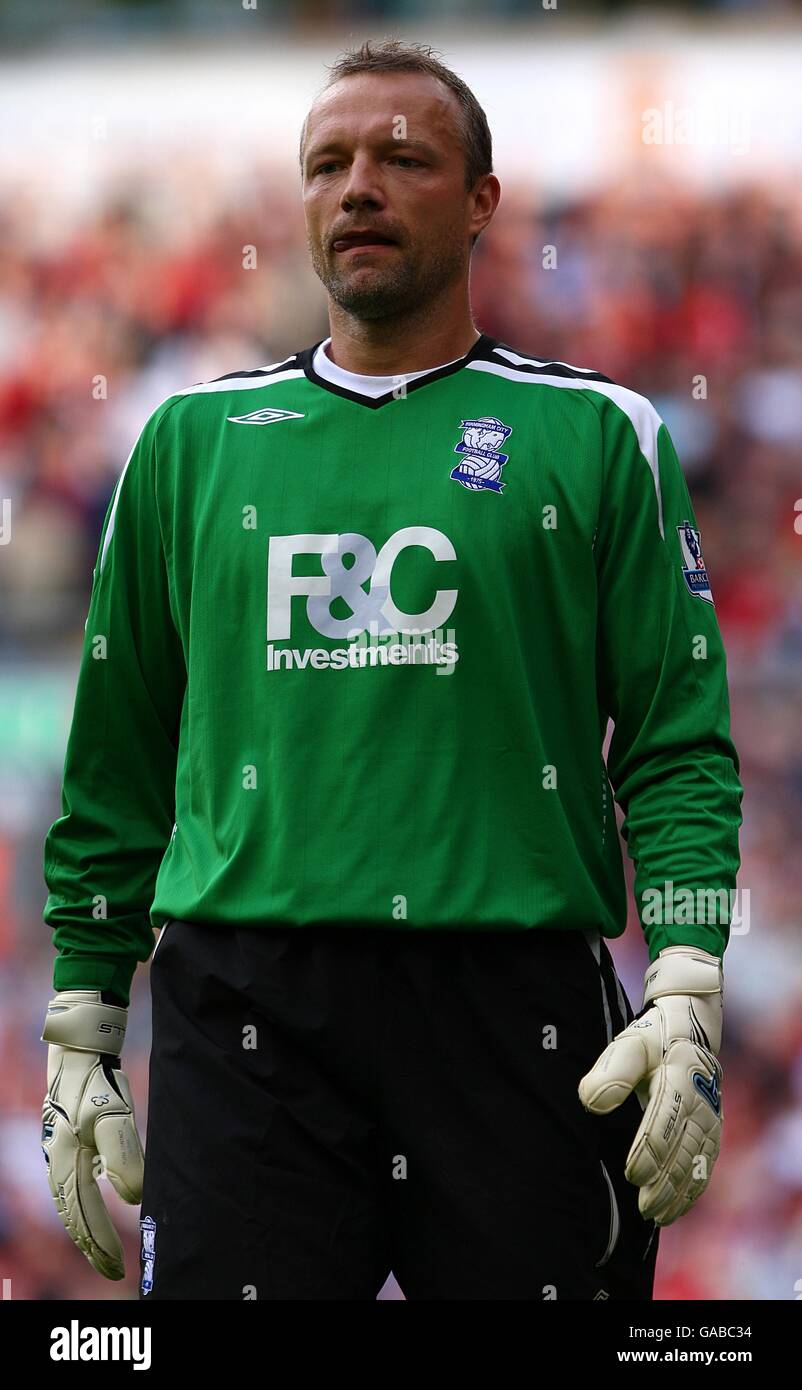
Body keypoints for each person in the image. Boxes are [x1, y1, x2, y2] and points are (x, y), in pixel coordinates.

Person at [40, 38, 743, 1301]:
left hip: (511, 1006)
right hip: (243, 1005)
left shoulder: (595, 432)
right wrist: (82, 1014)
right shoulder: (190, 445)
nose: (356, 185)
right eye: (328, 164)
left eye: (401, 158)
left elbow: (675, 739)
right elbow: (119, 756)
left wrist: (688, 976)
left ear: (481, 200)